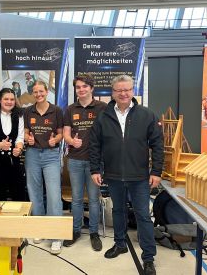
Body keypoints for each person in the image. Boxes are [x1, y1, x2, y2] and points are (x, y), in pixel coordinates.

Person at [89, 75, 164, 275]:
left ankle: (148, 257)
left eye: (127, 89)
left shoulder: (147, 115)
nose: (123, 93)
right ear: (112, 92)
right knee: (118, 211)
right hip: (113, 175)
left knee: (143, 216)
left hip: (139, 176)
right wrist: (95, 169)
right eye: (119, 90)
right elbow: (95, 144)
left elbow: (157, 145)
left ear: (133, 90)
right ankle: (120, 243)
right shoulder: (104, 116)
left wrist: (156, 171)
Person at [62, 74, 106, 251]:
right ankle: (76, 230)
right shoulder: (70, 109)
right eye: (78, 87)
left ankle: (94, 232)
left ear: (92, 88)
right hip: (75, 160)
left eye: (84, 86)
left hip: (95, 163)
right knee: (77, 199)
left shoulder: (102, 107)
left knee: (94, 199)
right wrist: (72, 141)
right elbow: (66, 133)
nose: (81, 89)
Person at [24, 80, 64, 255]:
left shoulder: (56, 110)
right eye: (35, 92)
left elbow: (62, 133)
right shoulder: (28, 111)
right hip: (32, 154)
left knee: (54, 194)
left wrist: (56, 140)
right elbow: (26, 131)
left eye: (41, 91)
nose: (38, 94)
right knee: (35, 192)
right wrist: (28, 139)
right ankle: (40, 228)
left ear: (47, 92)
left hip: (51, 155)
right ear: (33, 94)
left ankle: (56, 237)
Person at [0, 88, 26, 201]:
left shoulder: (19, 116)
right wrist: (0, 145)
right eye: (6, 99)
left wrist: (19, 148)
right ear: (0, 100)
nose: (9, 102)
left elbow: (20, 138)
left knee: (19, 196)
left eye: (12, 99)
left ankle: (19, 219)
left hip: (14, 162)